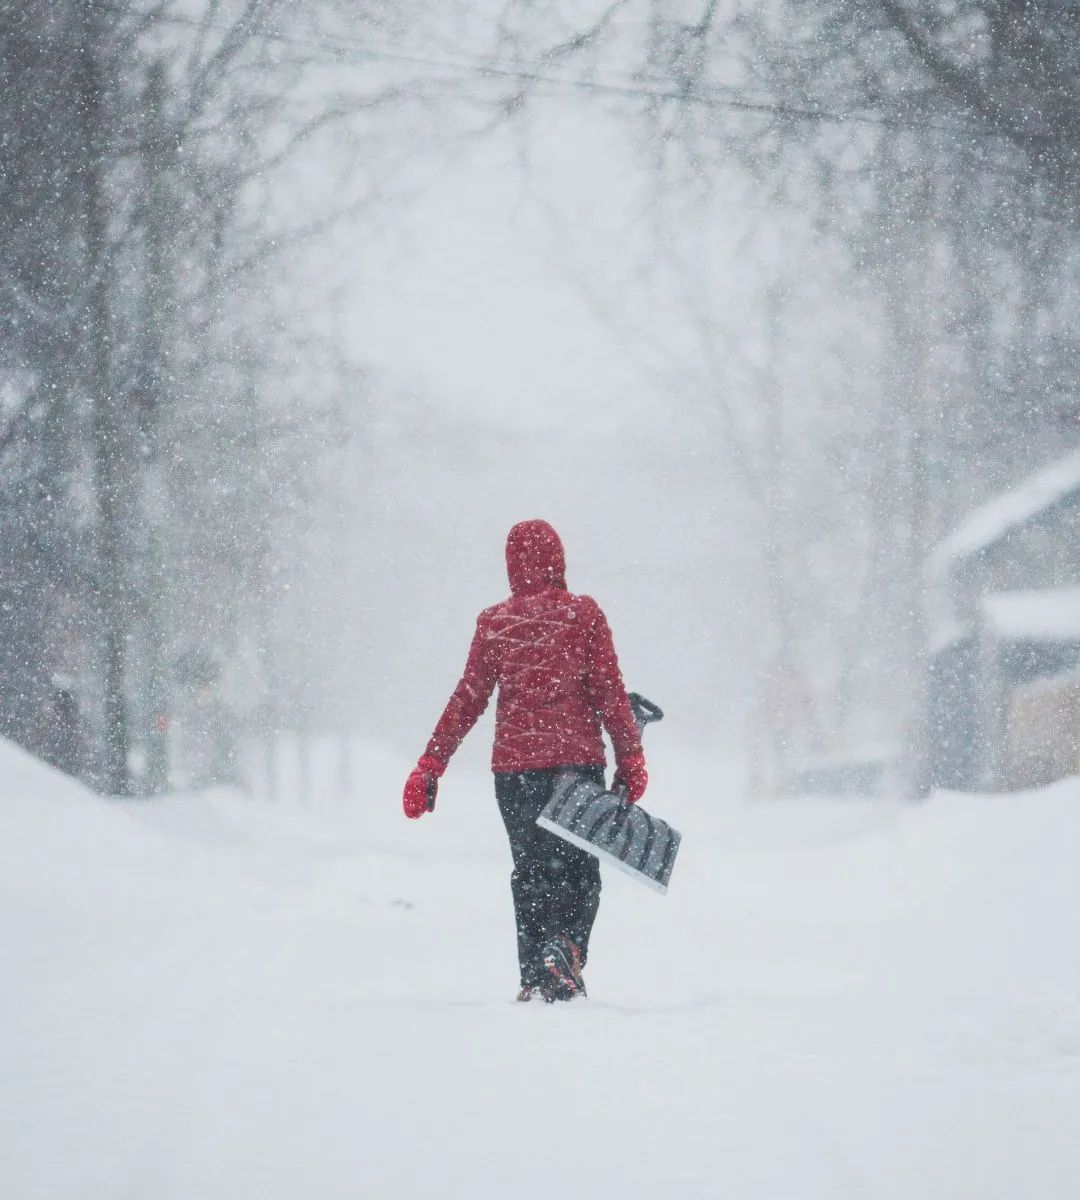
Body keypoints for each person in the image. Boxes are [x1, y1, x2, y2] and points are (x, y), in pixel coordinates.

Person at [402, 519, 648, 1002]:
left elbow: (467, 699)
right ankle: (567, 950)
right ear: (559, 560)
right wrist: (631, 756)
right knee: (580, 871)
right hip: (574, 770)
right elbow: (610, 695)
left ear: (512, 565)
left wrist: (431, 765)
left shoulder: (495, 622)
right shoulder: (584, 615)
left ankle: (536, 976)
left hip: (514, 775)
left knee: (532, 871)